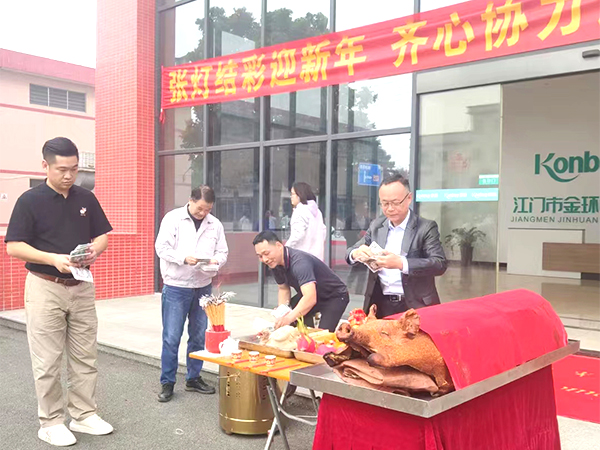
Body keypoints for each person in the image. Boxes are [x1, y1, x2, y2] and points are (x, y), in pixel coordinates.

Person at [5, 137, 114, 447]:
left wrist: (94, 251)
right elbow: (14, 246)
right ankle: (51, 422)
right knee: (48, 360)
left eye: (74, 169)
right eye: (62, 169)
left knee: (85, 355)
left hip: (81, 286)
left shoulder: (86, 198)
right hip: (45, 286)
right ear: (45, 166)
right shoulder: (30, 200)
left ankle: (84, 414)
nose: (69, 175)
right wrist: (52, 258)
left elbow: (102, 236)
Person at [155, 185, 228, 402]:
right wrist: (183, 258)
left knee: (198, 336)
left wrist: (215, 261)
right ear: (191, 200)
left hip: (203, 286)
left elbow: (223, 252)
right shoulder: (173, 219)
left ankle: (193, 378)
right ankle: (167, 382)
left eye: (208, 209)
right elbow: (161, 248)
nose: (203, 213)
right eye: (200, 209)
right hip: (176, 286)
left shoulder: (215, 224)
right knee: (171, 337)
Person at [346, 172, 447, 318]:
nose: (390, 208)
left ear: (409, 198)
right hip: (381, 305)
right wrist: (356, 253)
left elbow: (439, 264)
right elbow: (351, 251)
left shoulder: (425, 227)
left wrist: (401, 263)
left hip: (415, 305)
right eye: (385, 203)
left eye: (395, 202)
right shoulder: (377, 225)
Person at [254, 231, 349, 332]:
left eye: (266, 253)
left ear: (279, 246)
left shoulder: (300, 263)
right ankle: (303, 334)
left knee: (322, 334)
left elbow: (310, 298)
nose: (265, 259)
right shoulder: (274, 263)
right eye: (260, 256)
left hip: (334, 296)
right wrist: (282, 312)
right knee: (296, 325)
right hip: (312, 294)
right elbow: (283, 289)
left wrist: (288, 318)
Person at [286, 182, 327, 261]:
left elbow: (297, 235)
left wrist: (286, 249)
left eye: (293, 194)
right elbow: (323, 231)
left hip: (302, 257)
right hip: (317, 257)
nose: (291, 197)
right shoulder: (317, 211)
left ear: (300, 195)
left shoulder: (300, 211)